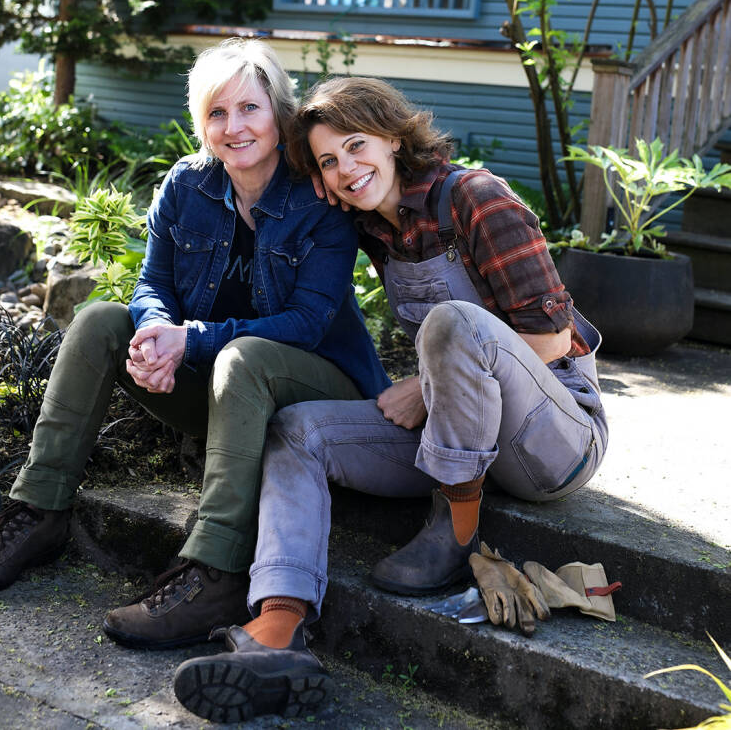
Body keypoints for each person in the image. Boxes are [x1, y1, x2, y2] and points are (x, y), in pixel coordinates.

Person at [173, 75, 608, 723]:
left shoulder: (476, 197)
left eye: (355, 146)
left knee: (450, 322)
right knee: (295, 430)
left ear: (394, 137)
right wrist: (311, 176)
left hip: (553, 435)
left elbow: (552, 340)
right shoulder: (373, 221)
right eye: (328, 161)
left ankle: (456, 526)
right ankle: (278, 628)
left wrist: (427, 384)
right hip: (462, 430)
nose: (346, 169)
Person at [0, 44, 389, 650]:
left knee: (244, 354)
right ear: (200, 123)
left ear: (280, 112)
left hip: (316, 394)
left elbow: (308, 322)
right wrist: (155, 337)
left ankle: (218, 570)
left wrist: (193, 340)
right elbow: (151, 284)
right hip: (224, 395)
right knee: (102, 319)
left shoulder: (318, 198)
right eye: (216, 112)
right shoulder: (187, 185)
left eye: (250, 108)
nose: (234, 127)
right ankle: (38, 512)